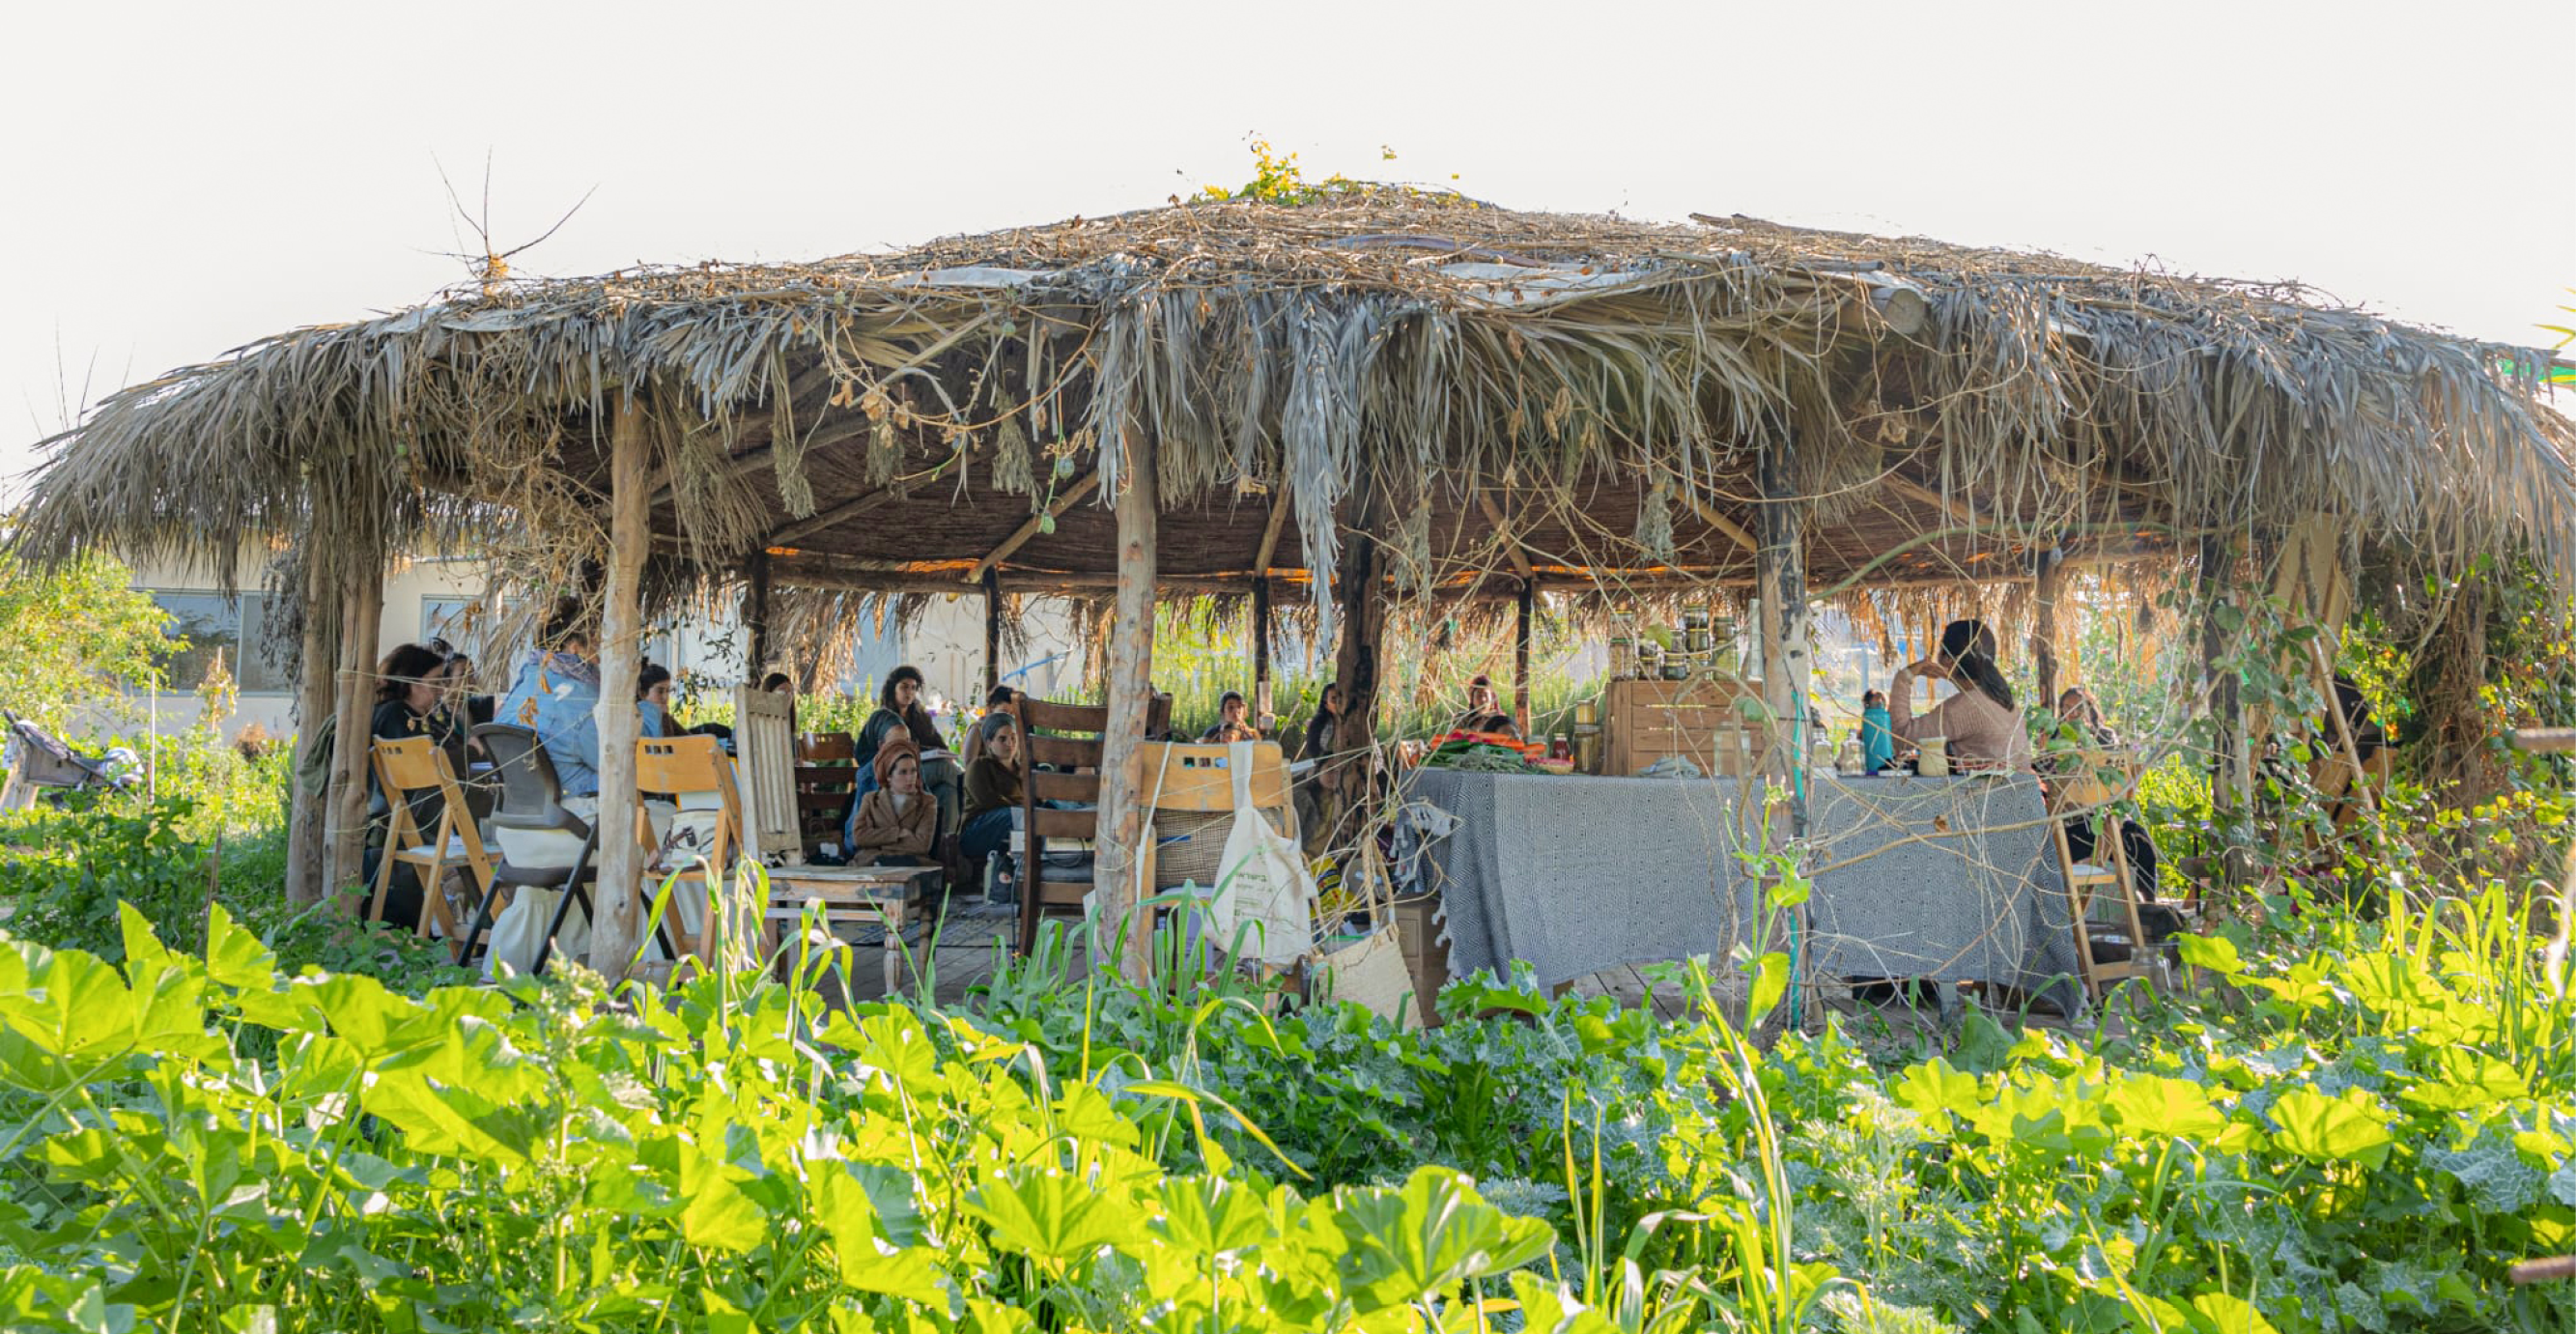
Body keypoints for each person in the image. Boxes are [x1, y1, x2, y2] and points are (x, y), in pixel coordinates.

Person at [364, 642, 466, 927]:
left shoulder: (409, 715)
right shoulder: (397, 716)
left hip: (409, 817)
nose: (440, 691)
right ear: (408, 682)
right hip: (417, 819)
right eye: (433, 683)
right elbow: (429, 766)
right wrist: (472, 752)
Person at [1886, 619, 2028, 772]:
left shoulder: (1965, 707)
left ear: (1947, 659)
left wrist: (1904, 677)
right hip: (2021, 792)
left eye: (1940, 651)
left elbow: (1902, 738)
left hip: (1992, 794)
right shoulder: (2000, 695)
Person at [496, 598, 605, 796]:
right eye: (596, 642)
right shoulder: (583, 698)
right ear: (574, 646)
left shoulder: (524, 683)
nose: (599, 653)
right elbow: (609, 761)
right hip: (573, 812)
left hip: (512, 814)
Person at [858, 665, 965, 834]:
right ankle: (969, 792)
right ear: (893, 688)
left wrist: (932, 752)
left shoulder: (920, 717)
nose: (909, 692)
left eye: (913, 688)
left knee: (948, 791)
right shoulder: (883, 719)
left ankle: (946, 841)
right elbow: (865, 754)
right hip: (898, 776)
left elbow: (938, 744)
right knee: (945, 769)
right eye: (904, 687)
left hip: (922, 771)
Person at [845, 736, 939, 866]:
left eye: (913, 771)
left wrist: (879, 844)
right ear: (889, 776)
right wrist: (898, 833)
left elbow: (922, 846)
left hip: (910, 864)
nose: (910, 778)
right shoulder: (871, 799)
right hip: (872, 863)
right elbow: (859, 837)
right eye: (903, 772)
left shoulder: (927, 802)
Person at [959, 713, 1023, 866]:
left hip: (1016, 822)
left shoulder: (1022, 770)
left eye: (1013, 737)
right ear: (989, 743)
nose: (1010, 743)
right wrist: (1023, 807)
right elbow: (989, 801)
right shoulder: (979, 767)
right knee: (1019, 816)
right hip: (977, 832)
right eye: (1002, 739)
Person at [1859, 690, 1895, 774]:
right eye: (1875, 702)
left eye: (1879, 703)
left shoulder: (1885, 716)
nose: (1876, 705)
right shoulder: (1868, 716)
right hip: (1872, 767)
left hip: (1885, 766)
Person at [637, 663, 674, 739]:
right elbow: (667, 746)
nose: (665, 697)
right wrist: (664, 716)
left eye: (668, 691)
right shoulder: (642, 715)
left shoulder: (661, 713)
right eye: (660, 691)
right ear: (643, 694)